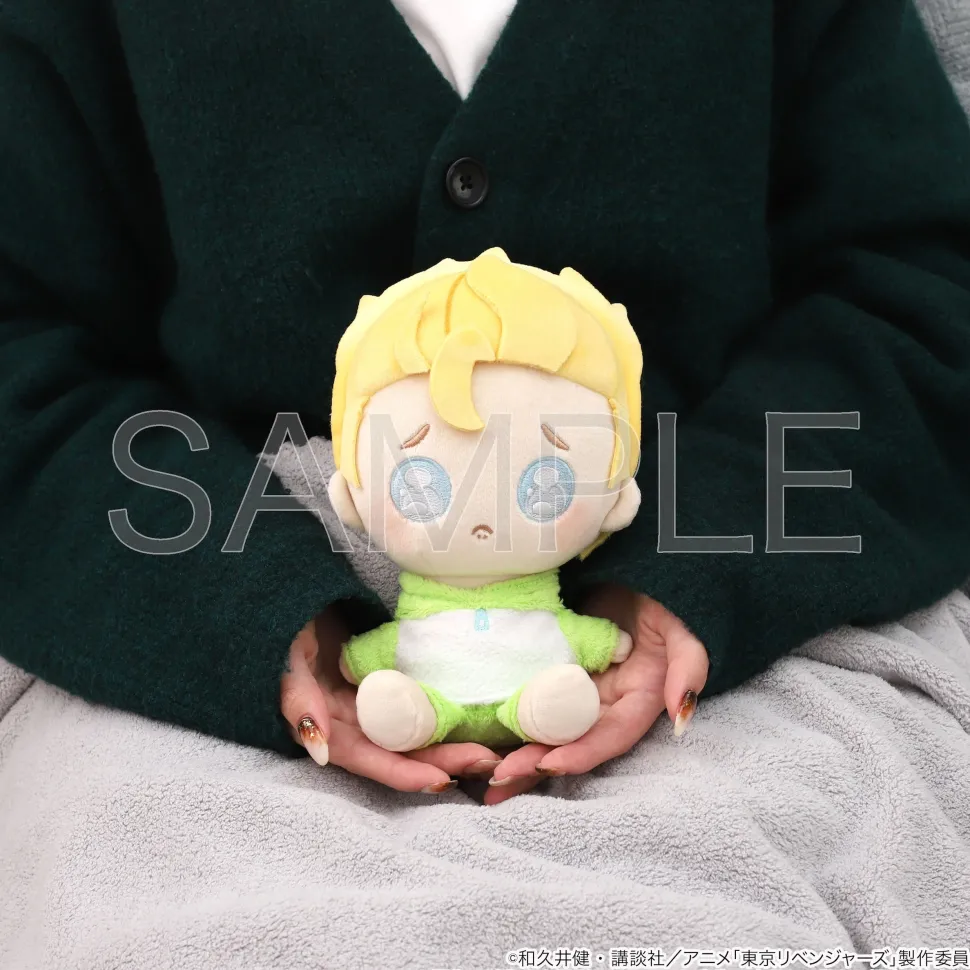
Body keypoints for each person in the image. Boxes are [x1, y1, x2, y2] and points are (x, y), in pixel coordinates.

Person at [1, 0, 969, 811]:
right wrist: (238, 607)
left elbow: (924, 293)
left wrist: (705, 550)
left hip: (760, 614)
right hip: (175, 613)